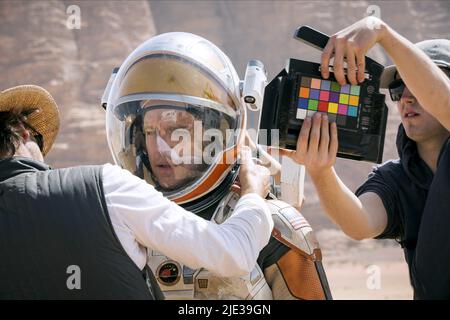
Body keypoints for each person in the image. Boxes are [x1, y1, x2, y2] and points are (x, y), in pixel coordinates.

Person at [103, 32, 332, 299]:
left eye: (177, 129)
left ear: (213, 133)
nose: (161, 147)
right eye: (151, 131)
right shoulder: (119, 223)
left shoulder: (278, 228)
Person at [0, 84, 274, 299]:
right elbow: (233, 253)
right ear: (24, 132)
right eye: (150, 131)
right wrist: (252, 193)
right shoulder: (103, 186)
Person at [289, 17, 450, 299]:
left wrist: (381, 31)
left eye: (417, 84)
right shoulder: (397, 179)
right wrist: (321, 171)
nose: (406, 99)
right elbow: (360, 223)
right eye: (399, 90)